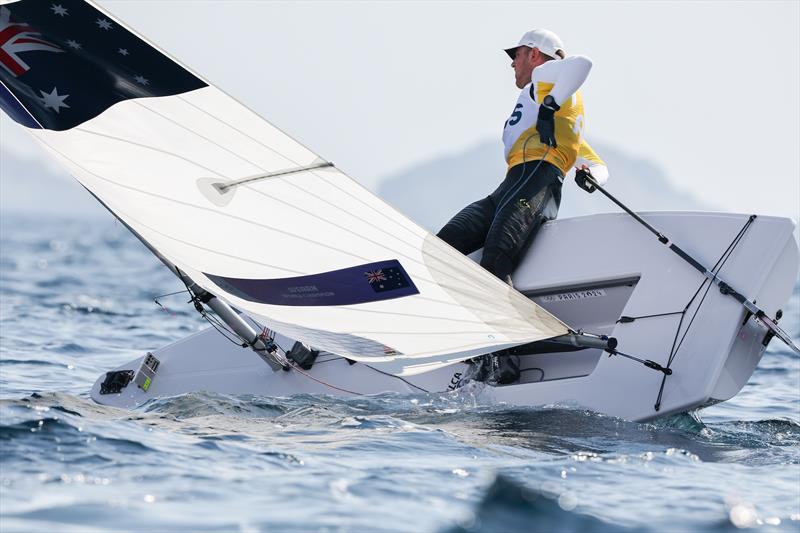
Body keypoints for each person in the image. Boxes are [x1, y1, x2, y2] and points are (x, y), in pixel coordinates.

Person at [438, 29, 609, 385]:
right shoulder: (547, 97)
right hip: (509, 187)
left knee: (497, 257)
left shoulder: (549, 81)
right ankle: (461, 334)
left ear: (535, 55)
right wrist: (595, 173)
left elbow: (582, 63)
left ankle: (505, 358)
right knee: (443, 247)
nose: (512, 64)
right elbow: (594, 160)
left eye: (515, 55)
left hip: (538, 184)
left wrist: (550, 105)